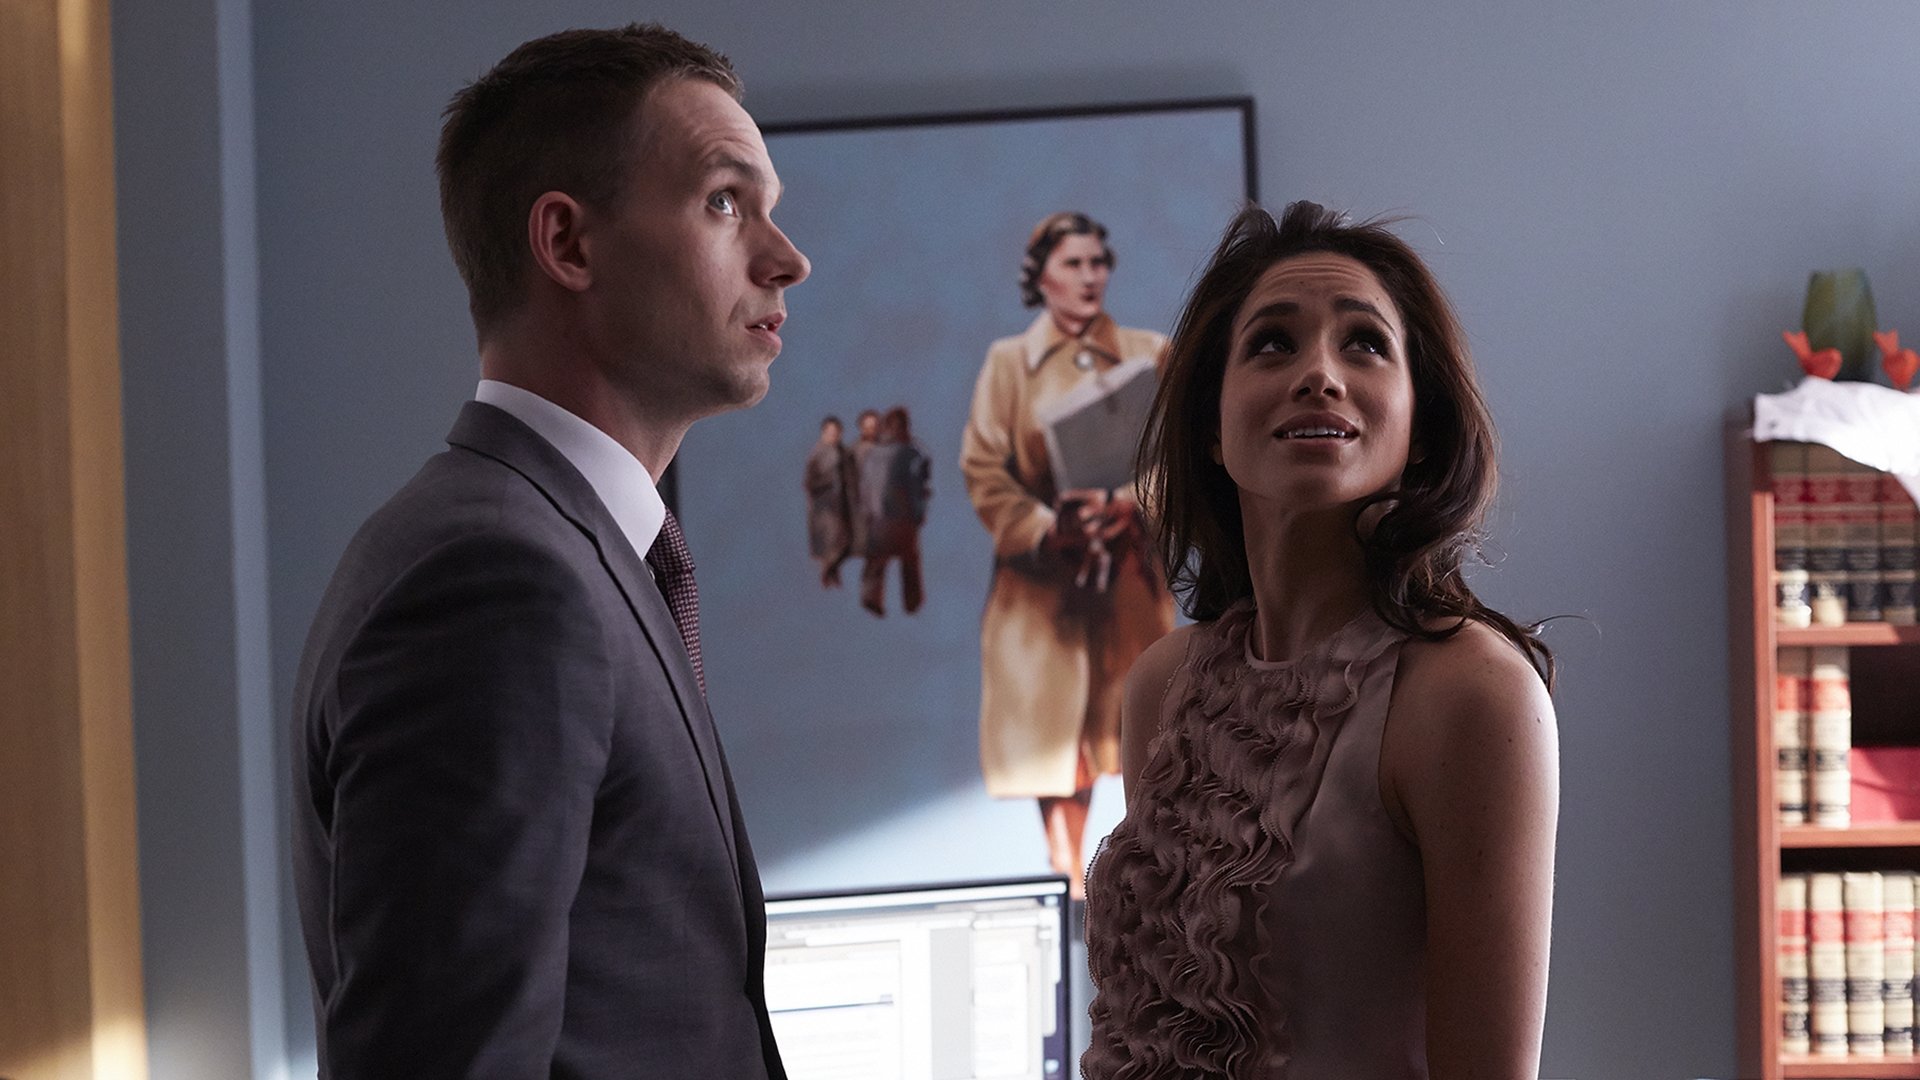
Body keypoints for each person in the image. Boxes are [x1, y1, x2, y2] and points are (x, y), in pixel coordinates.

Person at [289, 24, 809, 1080]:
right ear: (568, 244)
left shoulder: (555, 549)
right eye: (724, 201)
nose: (786, 257)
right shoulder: (496, 581)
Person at [1081, 201, 1558, 1079]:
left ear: (1420, 429)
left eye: (1365, 344)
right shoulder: (1161, 685)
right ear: (1210, 427)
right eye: (1273, 344)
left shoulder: (1471, 695)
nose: (1320, 375)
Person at [960, 211, 1176, 898]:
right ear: (1042, 277)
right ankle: (1068, 891)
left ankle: (1147, 889)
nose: (1089, 277)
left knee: (1142, 735)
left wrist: (1131, 503)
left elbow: (1184, 454)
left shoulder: (1151, 353)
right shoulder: (1008, 364)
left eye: (1097, 262)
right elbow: (984, 470)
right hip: (1042, 595)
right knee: (1056, 748)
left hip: (1128, 586)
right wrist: (1050, 526)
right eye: (1073, 264)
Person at [858, 406, 931, 616]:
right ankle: (912, 602)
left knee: (876, 561)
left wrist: (868, 514)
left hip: (877, 520)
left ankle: (872, 598)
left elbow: (865, 488)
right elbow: (918, 487)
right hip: (902, 520)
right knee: (909, 561)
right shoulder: (913, 453)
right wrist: (919, 513)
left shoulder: (873, 454)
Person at [804, 415, 853, 586]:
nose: (833, 435)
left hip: (841, 505)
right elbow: (809, 483)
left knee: (843, 541)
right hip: (823, 506)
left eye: (836, 432)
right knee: (827, 542)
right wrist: (828, 482)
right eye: (830, 432)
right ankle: (828, 574)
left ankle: (833, 570)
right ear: (824, 433)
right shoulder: (816, 455)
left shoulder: (844, 452)